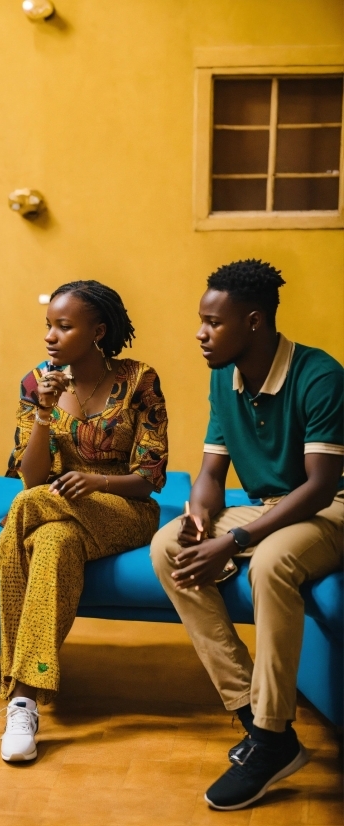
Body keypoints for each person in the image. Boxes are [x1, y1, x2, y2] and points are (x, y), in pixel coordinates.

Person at [150, 259, 344, 811]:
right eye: (201, 320)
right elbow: (212, 474)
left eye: (213, 322)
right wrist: (200, 521)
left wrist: (233, 541)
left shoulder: (321, 376)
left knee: (272, 561)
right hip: (266, 507)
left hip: (332, 508)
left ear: (254, 322)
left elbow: (320, 486)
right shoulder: (224, 376)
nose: (200, 332)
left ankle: (270, 725)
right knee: (168, 547)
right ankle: (260, 727)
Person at [0, 280, 168, 762]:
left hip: (125, 508)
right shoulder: (37, 383)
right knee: (50, 541)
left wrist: (97, 483)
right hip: (56, 506)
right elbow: (31, 478)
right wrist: (44, 413)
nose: (50, 336)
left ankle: (12, 687)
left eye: (63, 326)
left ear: (98, 330)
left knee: (23, 512)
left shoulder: (139, 380)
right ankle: (24, 699)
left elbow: (151, 477)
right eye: (48, 325)